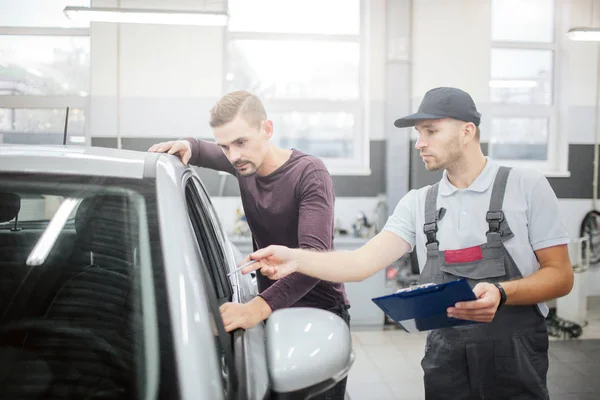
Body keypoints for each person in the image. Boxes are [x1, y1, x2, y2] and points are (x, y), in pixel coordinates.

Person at [242, 87, 574, 399]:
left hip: (514, 355)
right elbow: (360, 264)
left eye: (431, 131)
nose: (420, 143)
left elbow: (560, 275)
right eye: (419, 133)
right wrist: (297, 259)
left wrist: (502, 293)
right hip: (446, 357)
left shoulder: (526, 186)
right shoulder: (419, 203)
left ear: (467, 132)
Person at [148, 90, 350, 400]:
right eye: (225, 146)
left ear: (267, 130)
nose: (233, 156)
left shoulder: (309, 173)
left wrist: (254, 309)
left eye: (240, 142)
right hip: (274, 307)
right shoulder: (244, 164)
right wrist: (187, 144)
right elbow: (202, 150)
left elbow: (313, 260)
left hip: (318, 311)